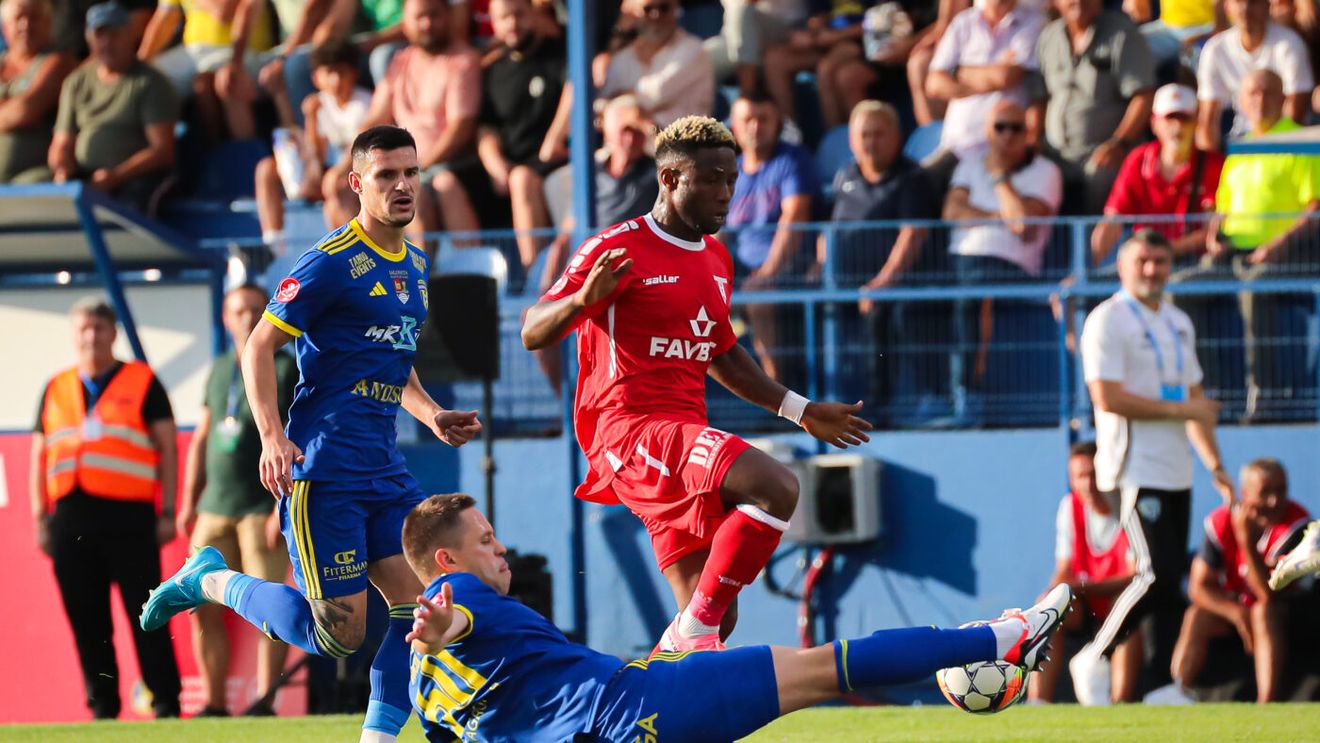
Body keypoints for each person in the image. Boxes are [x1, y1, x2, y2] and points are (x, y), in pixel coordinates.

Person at [141, 125, 482, 743]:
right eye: (386, 174)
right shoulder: (330, 262)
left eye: (411, 172)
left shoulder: (415, 264)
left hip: (384, 468)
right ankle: (209, 579)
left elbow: (394, 357)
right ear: (357, 184)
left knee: (423, 607)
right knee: (339, 635)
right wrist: (273, 437)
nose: (403, 185)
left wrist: (431, 413)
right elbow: (258, 346)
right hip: (324, 471)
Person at [521, 115, 874, 654]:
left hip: (681, 436)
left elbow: (722, 354)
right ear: (670, 179)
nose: (726, 193)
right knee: (776, 486)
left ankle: (650, 693)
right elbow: (532, 330)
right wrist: (580, 302)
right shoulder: (616, 248)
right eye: (711, 179)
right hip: (631, 431)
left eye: (731, 179)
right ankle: (690, 633)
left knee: (715, 619)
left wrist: (801, 411)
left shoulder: (717, 258)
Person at [401, 493, 1075, 741]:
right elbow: (456, 622)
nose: (500, 548)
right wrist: (444, 628)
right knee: (826, 667)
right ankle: (1008, 635)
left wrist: (433, 643)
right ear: (446, 559)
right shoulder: (459, 593)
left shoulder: (423, 686)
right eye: (485, 539)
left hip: (619, 714)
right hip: (641, 708)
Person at [1074, 229, 1235, 694]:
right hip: (1132, 468)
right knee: (1154, 572)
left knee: (1167, 582)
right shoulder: (1107, 319)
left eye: (1160, 261)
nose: (1151, 270)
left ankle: (1166, 686)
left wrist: (1215, 465)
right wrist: (1182, 409)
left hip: (1176, 469)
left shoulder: (1178, 321)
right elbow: (1106, 397)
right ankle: (1094, 658)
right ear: (1122, 267)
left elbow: (1194, 401)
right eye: (1142, 261)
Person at [30, 297, 182, 719]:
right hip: (70, 517)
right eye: (84, 328)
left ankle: (165, 701)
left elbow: (168, 448)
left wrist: (168, 510)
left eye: (99, 328)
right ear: (73, 333)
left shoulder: (142, 381)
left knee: (147, 613)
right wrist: (40, 519)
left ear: (113, 333)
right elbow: (39, 455)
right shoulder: (55, 386)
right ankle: (103, 706)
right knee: (87, 618)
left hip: (129, 517)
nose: (91, 336)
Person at [178, 283, 298, 717]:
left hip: (260, 507)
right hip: (214, 506)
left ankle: (265, 701)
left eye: (254, 310)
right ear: (225, 318)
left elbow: (297, 434)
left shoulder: (285, 366)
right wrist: (188, 500)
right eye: (238, 311)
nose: (247, 318)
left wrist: (280, 508)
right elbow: (203, 436)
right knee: (200, 604)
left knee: (270, 607)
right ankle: (213, 703)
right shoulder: (218, 368)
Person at [534, 95, 660, 392]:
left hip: (631, 278)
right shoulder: (591, 177)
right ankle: (565, 401)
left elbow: (680, 160)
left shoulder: (655, 174)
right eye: (625, 129)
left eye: (637, 131)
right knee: (537, 323)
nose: (631, 138)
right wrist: (547, 287)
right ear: (608, 130)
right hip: (586, 275)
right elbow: (565, 236)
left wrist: (648, 125)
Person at [826, 99, 940, 422]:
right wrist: (819, 268)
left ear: (896, 137)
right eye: (865, 135)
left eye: (879, 134)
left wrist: (881, 283)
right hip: (847, 284)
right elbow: (829, 231)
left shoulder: (913, 178)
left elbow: (913, 235)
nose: (871, 142)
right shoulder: (845, 176)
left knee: (885, 314)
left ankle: (881, 406)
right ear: (852, 140)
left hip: (903, 285)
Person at [1170, 458, 1311, 703]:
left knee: (1263, 611)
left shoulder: (1297, 526)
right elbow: (1198, 587)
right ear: (1245, 494)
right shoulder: (1222, 521)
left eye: (1281, 490)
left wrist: (1246, 542)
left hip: (1291, 614)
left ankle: (1267, 702)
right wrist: (1236, 614)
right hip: (1243, 609)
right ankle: (1177, 692)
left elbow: (1268, 593)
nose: (1274, 500)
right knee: (1197, 615)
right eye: (1265, 492)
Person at [1029, 441, 1142, 706]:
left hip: (1120, 603)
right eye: (1080, 476)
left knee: (1128, 610)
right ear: (1071, 480)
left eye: (1093, 475)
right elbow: (1063, 570)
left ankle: (1119, 705)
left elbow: (1135, 577)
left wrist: (1081, 587)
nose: (1088, 484)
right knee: (1047, 607)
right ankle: (1037, 702)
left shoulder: (1129, 507)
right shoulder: (1070, 507)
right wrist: (1051, 598)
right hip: (1085, 607)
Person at [364, 0, 482, 246]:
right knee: (345, 187)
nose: (427, 24)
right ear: (406, 23)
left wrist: (417, 167)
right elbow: (375, 119)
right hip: (407, 166)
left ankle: (462, 264)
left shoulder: (464, 61)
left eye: (434, 15)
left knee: (430, 187)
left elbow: (461, 128)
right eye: (419, 17)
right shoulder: (400, 62)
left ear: (448, 17)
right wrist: (352, 163)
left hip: (451, 164)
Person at [48, 1, 178, 215]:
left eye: (115, 34)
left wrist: (115, 176)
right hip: (86, 177)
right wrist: (62, 169)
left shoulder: (151, 82)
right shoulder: (75, 82)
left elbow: (162, 151)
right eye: (100, 35)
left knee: (127, 213)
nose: (107, 42)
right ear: (89, 40)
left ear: (130, 36)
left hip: (136, 179)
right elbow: (61, 143)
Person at [724, 89, 818, 383]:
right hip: (741, 271)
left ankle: (775, 389)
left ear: (777, 123)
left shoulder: (793, 160)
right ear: (734, 126)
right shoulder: (730, 171)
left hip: (790, 268)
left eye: (763, 119)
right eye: (748, 120)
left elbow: (794, 217)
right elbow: (718, 231)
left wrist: (767, 273)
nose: (755, 127)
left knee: (759, 301)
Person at [1034, 0, 1156, 215]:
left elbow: (1143, 96)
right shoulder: (1048, 37)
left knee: (1103, 175)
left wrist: (1119, 142)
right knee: (1030, 175)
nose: (1079, 2)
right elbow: (1039, 97)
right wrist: (1033, 138)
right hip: (1055, 153)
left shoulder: (1122, 34)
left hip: (1103, 152)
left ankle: (1098, 237)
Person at [473, 0, 567, 272]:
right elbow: (486, 128)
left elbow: (574, 91)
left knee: (521, 178)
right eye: (504, 17)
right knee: (445, 183)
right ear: (494, 23)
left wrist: (555, 137)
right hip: (511, 164)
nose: (513, 23)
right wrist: (495, 164)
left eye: (519, 14)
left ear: (533, 15)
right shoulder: (493, 69)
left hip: (554, 161)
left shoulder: (561, 54)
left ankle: (533, 276)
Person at [255, 39, 373, 254]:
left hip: (352, 178)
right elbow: (315, 155)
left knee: (334, 191)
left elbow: (361, 154)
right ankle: (273, 245)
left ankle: (355, 252)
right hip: (321, 173)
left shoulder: (365, 104)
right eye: (329, 73)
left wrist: (332, 175)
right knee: (265, 169)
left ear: (354, 74)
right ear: (316, 78)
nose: (336, 80)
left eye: (342, 72)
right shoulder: (317, 104)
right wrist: (310, 119)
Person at [1091, 83, 1226, 265]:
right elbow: (1112, 221)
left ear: (1196, 122)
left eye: (1184, 118)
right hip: (1143, 261)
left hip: (1192, 265)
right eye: (1169, 118)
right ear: (1154, 123)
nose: (1177, 125)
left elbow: (1210, 230)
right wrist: (1089, 270)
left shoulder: (1214, 164)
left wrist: (1160, 252)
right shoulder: (1138, 160)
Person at [924, 0, 1044, 185]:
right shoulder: (963, 22)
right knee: (918, 184)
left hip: (1005, 147)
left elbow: (1007, 76)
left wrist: (957, 72)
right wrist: (992, 74)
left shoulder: (1033, 22)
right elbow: (934, 83)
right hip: (957, 146)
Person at [136, 0, 277, 141]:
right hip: (191, 52)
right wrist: (138, 64)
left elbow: (223, 13)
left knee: (208, 82)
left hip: (238, 50)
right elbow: (165, 18)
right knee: (143, 81)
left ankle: (232, 148)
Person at [1194, 0, 1313, 151]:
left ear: (1268, 6)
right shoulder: (1214, 49)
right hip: (1240, 142)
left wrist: (1270, 149)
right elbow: (1207, 120)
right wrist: (1209, 158)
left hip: (1284, 143)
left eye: (1253, 2)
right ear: (1227, 7)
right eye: (1238, 1)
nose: (1245, 8)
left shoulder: (1290, 44)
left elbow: (1295, 112)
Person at [598, 0, 714, 129]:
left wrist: (618, 105)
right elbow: (600, 103)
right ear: (633, 13)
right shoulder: (623, 58)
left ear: (676, 9)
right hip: (628, 140)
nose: (656, 15)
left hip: (684, 140)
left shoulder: (693, 49)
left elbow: (653, 95)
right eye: (647, 9)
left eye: (664, 8)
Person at [0, 0, 75, 184]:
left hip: (30, 177)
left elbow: (24, 110)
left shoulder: (59, 62)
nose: (25, 25)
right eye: (18, 17)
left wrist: (13, 107)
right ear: (5, 27)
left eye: (34, 17)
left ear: (49, 24)